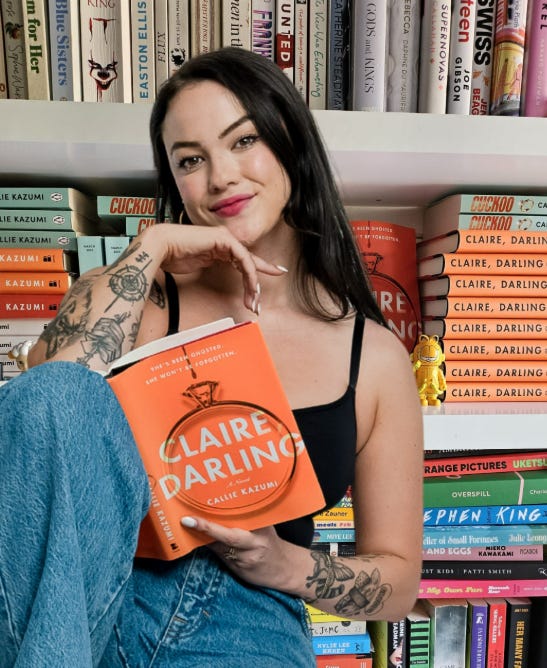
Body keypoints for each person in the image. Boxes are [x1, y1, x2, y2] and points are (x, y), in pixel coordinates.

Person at [0, 47, 423, 667]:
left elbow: (399, 582)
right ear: (173, 181)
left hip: (246, 615)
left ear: (290, 146)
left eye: (243, 140)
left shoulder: (375, 356)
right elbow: (46, 425)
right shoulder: (123, 293)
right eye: (190, 160)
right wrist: (149, 251)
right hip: (82, 590)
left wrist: (284, 563)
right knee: (58, 392)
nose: (220, 176)